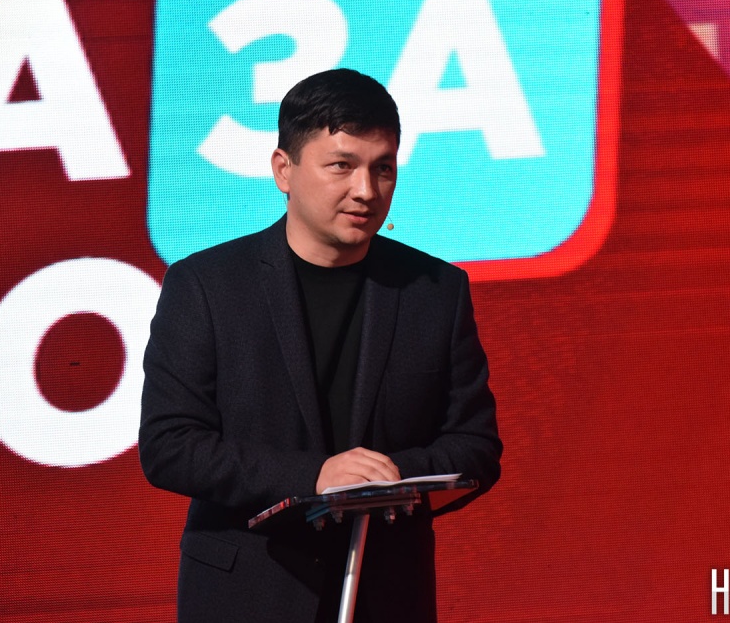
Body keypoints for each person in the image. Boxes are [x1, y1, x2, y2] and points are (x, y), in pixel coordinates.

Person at [139, 68, 502, 623]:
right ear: (283, 170)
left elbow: (475, 446)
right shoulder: (207, 286)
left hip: (386, 595)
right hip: (248, 595)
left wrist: (382, 479)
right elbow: (171, 446)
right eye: (341, 166)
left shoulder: (435, 291)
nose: (366, 190)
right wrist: (315, 477)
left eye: (383, 168)